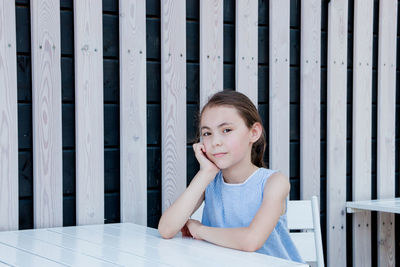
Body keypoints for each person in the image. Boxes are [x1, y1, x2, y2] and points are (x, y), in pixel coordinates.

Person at [158, 90, 303, 263]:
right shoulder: (209, 181)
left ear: (254, 133)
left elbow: (251, 240)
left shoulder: (274, 182)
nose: (215, 141)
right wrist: (206, 173)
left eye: (226, 130)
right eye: (207, 133)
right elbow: (166, 229)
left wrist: (199, 230)